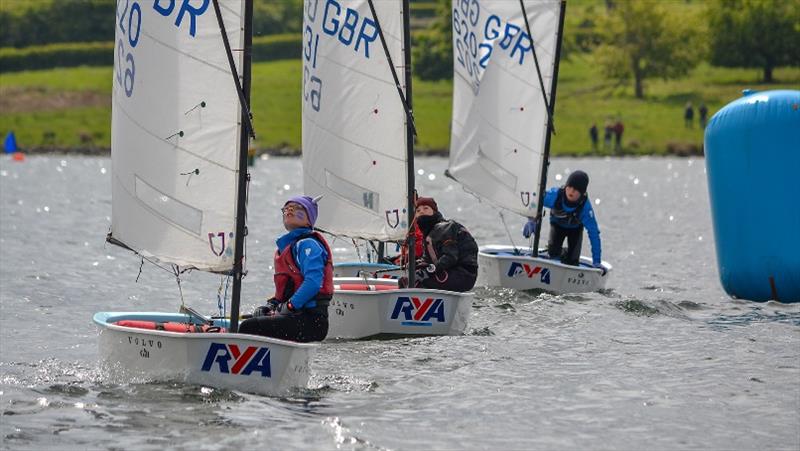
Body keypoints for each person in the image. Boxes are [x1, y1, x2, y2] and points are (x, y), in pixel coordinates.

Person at [239, 196, 332, 342]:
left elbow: (313, 283)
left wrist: (289, 305)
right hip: (296, 316)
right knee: (254, 320)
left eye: (297, 208)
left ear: (309, 219)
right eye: (286, 208)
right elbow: (287, 288)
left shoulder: (308, 245)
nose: (289, 210)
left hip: (311, 321)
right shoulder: (287, 247)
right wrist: (272, 305)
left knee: (248, 327)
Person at [522, 170, 604, 273]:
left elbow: (594, 234)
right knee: (553, 254)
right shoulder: (554, 196)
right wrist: (531, 220)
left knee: (573, 261)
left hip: (575, 230)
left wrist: (597, 261)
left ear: (582, 193)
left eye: (576, 189)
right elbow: (534, 201)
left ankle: (566, 254)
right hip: (557, 226)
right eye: (569, 187)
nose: (571, 191)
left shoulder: (585, 209)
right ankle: (558, 253)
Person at [398, 197, 479, 292]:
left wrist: (430, 270)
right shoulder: (429, 232)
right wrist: (417, 264)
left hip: (463, 276)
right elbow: (428, 259)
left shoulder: (445, 228)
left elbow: (450, 257)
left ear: (434, 211)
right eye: (418, 210)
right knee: (406, 280)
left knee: (415, 281)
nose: (422, 211)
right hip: (451, 272)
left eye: (426, 208)